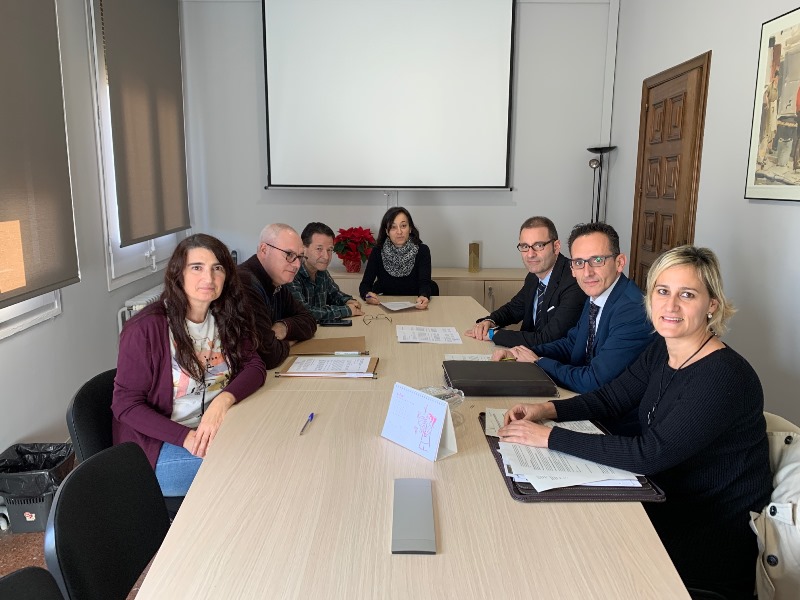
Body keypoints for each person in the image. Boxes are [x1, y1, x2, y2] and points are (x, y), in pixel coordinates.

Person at [498, 245, 772, 599]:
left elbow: (649, 454)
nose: (670, 305)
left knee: (566, 561)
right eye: (662, 291)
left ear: (712, 305)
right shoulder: (662, 348)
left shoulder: (724, 376)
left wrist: (548, 438)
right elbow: (611, 398)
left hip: (702, 544)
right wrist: (547, 411)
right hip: (656, 500)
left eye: (687, 295)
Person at [112, 234, 267, 497]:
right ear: (178, 274)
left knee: (275, 443)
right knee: (254, 467)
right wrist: (186, 437)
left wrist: (222, 402)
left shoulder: (224, 316)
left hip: (213, 428)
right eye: (197, 267)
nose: (209, 278)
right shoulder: (145, 329)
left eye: (217, 268)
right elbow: (125, 405)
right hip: (158, 447)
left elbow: (254, 365)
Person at [491, 222, 653, 395]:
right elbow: (571, 344)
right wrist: (519, 353)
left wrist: (538, 362)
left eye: (597, 260)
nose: (587, 272)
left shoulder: (633, 311)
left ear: (619, 262)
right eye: (579, 262)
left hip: (609, 408)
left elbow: (592, 381)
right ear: (572, 269)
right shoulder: (596, 294)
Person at [465, 216, 585, 347]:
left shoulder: (574, 281)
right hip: (527, 352)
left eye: (539, 245)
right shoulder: (533, 276)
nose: (530, 254)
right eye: (525, 246)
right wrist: (490, 321)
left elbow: (548, 338)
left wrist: (494, 334)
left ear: (556, 247)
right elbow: (513, 309)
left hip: (553, 356)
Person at [238, 223, 317, 369]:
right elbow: (268, 355)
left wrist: (283, 327)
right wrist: (291, 341)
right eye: (289, 255)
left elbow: (309, 320)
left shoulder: (277, 281)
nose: (297, 265)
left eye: (300, 257)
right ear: (264, 250)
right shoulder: (244, 284)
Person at [359, 206, 433, 309]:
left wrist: (424, 296)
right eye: (393, 227)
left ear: (410, 228)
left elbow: (425, 283)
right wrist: (367, 295)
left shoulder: (422, 250)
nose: (399, 232)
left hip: (414, 304)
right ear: (386, 231)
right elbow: (365, 285)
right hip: (384, 305)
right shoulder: (377, 252)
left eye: (403, 226)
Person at [288, 222, 364, 322]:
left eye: (329, 250)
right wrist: (347, 310)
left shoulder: (321, 272)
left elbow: (335, 294)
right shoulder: (291, 273)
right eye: (319, 249)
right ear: (303, 249)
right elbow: (305, 313)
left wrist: (348, 301)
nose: (326, 257)